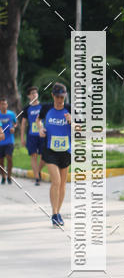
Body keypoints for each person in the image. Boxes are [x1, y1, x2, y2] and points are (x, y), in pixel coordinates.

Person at [37, 83, 72, 227]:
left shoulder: (70, 109)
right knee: (56, 181)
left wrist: (72, 122)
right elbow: (38, 120)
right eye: (57, 97)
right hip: (49, 150)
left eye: (62, 97)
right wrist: (40, 128)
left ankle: (58, 212)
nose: (60, 100)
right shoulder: (46, 108)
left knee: (63, 184)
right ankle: (54, 213)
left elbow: (81, 127)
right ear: (53, 96)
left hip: (65, 151)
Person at [20, 86, 44, 185]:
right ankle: (37, 178)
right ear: (29, 96)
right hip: (31, 135)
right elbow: (23, 123)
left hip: (42, 134)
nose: (34, 94)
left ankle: (37, 170)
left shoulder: (43, 106)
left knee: (45, 157)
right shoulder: (26, 108)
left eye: (36, 93)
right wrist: (22, 137)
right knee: (33, 156)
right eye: (32, 93)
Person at [0, 97, 18, 185]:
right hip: (0, 140)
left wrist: (13, 128)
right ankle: (3, 176)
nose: (4, 106)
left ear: (7, 105)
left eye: (5, 104)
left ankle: (9, 176)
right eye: (2, 104)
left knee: (9, 157)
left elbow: (15, 123)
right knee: (1, 161)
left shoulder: (11, 114)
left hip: (9, 140)